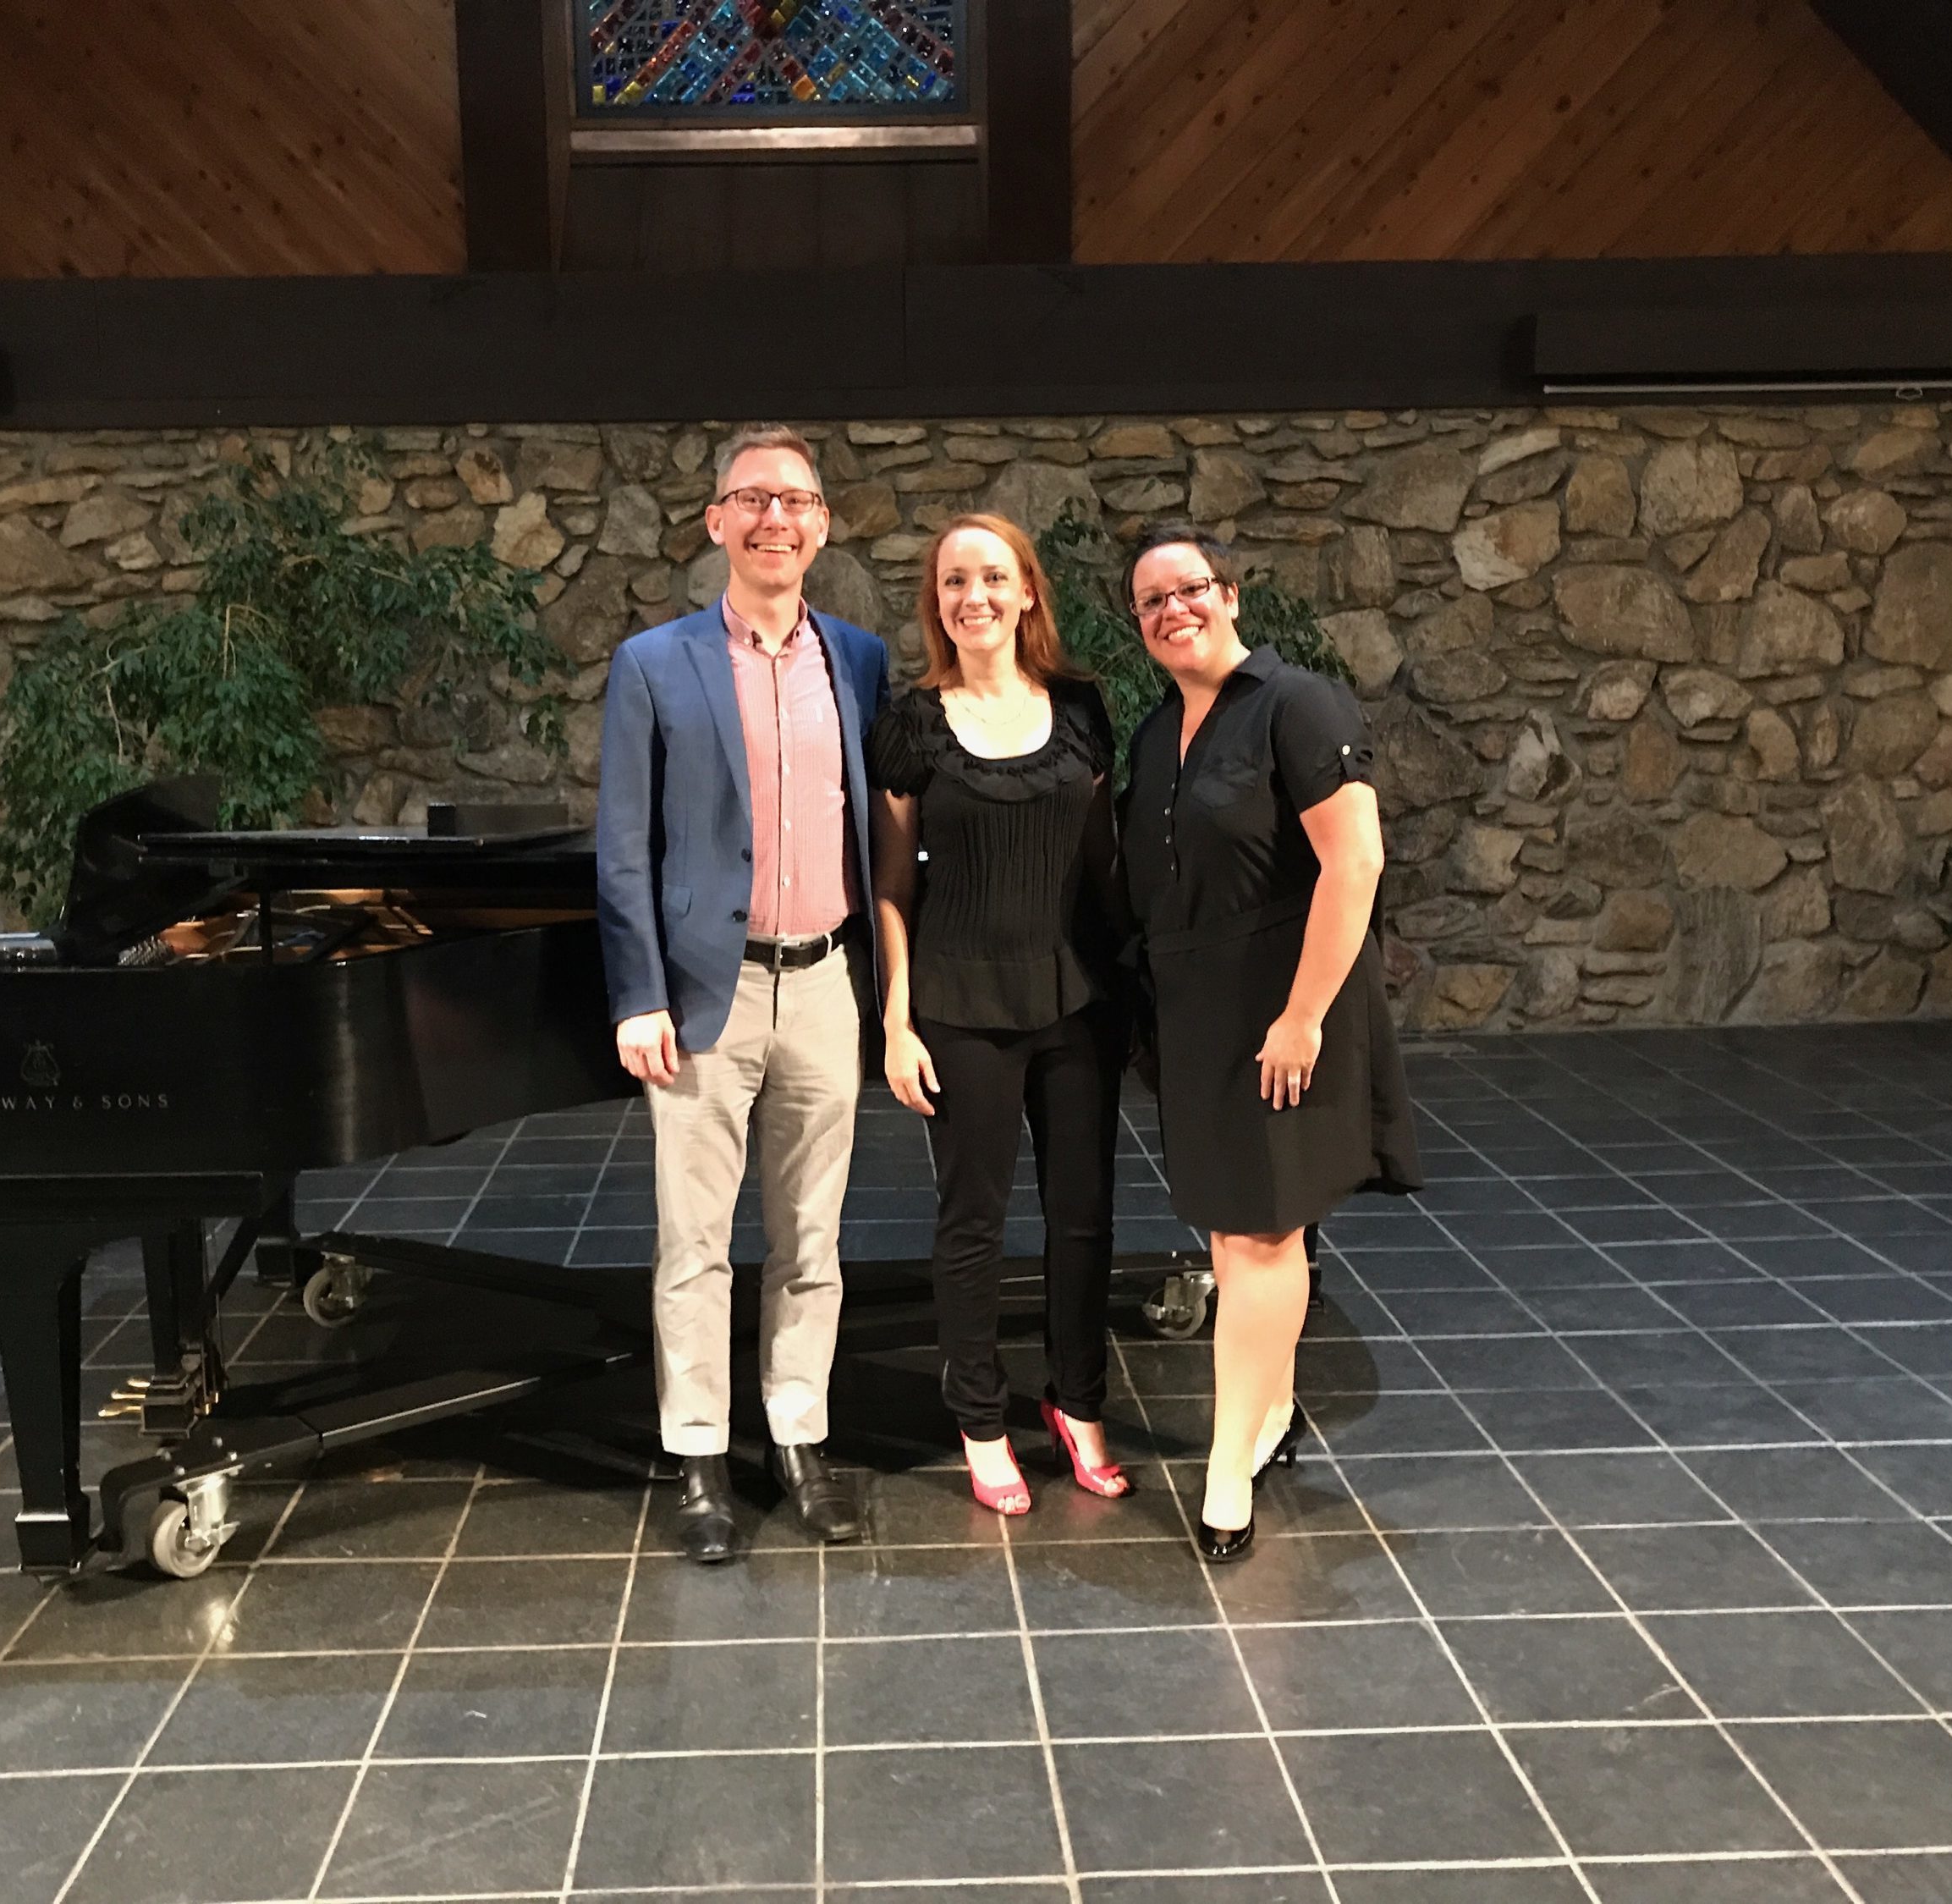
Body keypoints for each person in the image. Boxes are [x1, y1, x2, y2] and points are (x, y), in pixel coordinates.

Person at [596, 423, 891, 1565]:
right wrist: (638, 993)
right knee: (695, 1243)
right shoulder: (654, 662)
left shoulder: (857, 659)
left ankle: (800, 1438)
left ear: (823, 525)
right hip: (702, 993)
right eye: (754, 498)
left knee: (814, 1235)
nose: (777, 518)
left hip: (824, 982)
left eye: (797, 500)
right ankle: (699, 1455)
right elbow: (625, 848)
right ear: (717, 520)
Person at [1119, 525, 1423, 1562]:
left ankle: (1225, 1466)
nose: (1173, 610)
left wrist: (1302, 1017)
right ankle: (1273, 1409)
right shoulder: (1159, 732)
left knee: (1262, 1236)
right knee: (1237, 1232)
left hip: (1284, 1009)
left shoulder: (1300, 704)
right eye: (1151, 601)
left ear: (1232, 593)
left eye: (1189, 588)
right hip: (1199, 1015)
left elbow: (1356, 863)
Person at [868, 514, 1130, 1517]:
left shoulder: (1082, 712)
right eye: (952, 582)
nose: (972, 596)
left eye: (991, 577)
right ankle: (980, 1418)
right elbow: (892, 886)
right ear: (936, 604)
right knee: (972, 1221)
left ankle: (1078, 1403)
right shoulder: (912, 724)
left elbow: (1102, 867)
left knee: (1084, 1216)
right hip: (959, 1002)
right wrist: (896, 1021)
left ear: (1027, 592)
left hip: (1076, 999)